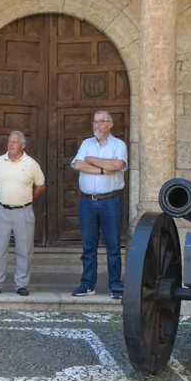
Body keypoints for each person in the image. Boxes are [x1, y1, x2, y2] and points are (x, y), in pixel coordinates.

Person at [70, 111, 127, 299]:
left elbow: (117, 166)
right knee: (88, 246)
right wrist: (103, 170)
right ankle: (87, 284)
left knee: (113, 246)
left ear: (110, 124)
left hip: (110, 201)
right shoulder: (86, 144)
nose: (97, 125)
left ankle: (115, 285)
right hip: (87, 202)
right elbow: (78, 165)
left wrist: (92, 160)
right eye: (95, 121)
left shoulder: (119, 145)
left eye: (101, 121)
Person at [0, 131, 45, 297]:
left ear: (23, 146)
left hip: (23, 211)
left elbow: (41, 186)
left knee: (24, 250)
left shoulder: (31, 164)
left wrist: (27, 199)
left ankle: (21, 284)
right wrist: (6, 196)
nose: (11, 144)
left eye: (14, 142)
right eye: (9, 141)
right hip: (2, 211)